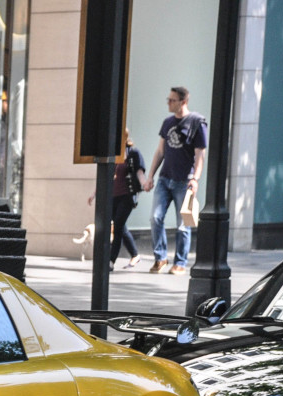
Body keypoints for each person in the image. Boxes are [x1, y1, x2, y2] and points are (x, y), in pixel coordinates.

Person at [145, 86, 207, 275]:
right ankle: (161, 257)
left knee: (183, 224)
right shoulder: (167, 122)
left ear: (184, 101)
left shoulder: (197, 122)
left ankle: (180, 262)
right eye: (168, 99)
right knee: (155, 218)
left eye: (172, 100)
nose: (169, 103)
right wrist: (150, 176)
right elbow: (160, 151)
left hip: (184, 181)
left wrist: (195, 179)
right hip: (165, 179)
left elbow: (200, 156)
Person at [86, 126, 145, 269]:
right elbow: (106, 176)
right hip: (113, 196)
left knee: (118, 227)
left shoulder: (133, 153)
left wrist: (145, 183)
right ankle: (135, 255)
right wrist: (95, 193)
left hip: (127, 196)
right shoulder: (112, 154)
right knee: (120, 226)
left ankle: (110, 261)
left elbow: (139, 171)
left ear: (125, 137)